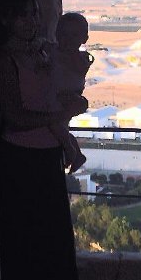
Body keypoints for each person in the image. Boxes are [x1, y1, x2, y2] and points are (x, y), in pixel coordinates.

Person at [0, 0, 87, 280]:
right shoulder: (1, 62)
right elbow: (15, 116)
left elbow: (52, 93)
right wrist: (65, 113)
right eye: (25, 13)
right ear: (6, 19)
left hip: (44, 159)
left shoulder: (40, 54)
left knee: (53, 247)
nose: (33, 20)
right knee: (26, 249)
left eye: (36, 12)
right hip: (20, 163)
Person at [48, 12, 95, 172]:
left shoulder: (78, 59)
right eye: (64, 34)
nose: (68, 39)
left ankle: (70, 149)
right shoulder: (57, 52)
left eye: (74, 35)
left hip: (64, 96)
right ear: (56, 34)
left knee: (55, 123)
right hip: (61, 96)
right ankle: (75, 152)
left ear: (84, 39)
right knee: (60, 126)